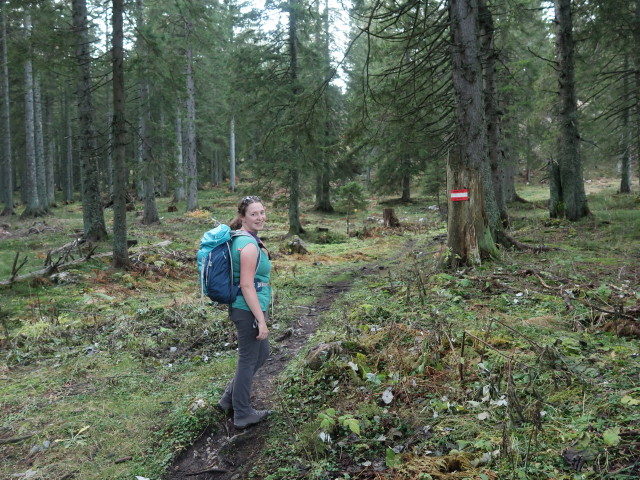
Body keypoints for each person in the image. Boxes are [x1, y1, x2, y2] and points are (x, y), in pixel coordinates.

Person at [217, 195, 272, 429]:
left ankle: (228, 400)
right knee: (248, 360)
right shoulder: (248, 245)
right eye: (254, 214)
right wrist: (261, 320)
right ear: (243, 217)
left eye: (261, 212)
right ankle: (242, 413)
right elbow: (247, 285)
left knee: (261, 354)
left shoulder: (242, 238)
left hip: (247, 307)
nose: (260, 217)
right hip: (247, 309)